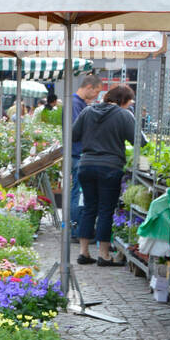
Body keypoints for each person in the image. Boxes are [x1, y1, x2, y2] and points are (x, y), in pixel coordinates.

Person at [74, 82, 136, 267]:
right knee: (106, 210)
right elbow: (140, 141)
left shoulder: (87, 111)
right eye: (129, 102)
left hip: (86, 165)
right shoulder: (124, 115)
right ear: (123, 101)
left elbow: (73, 135)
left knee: (89, 207)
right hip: (110, 167)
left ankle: (83, 252)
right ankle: (104, 255)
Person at [70, 72, 103, 239]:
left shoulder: (77, 103)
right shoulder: (76, 104)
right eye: (96, 91)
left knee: (77, 192)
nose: (96, 95)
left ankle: (77, 229)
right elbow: (77, 129)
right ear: (89, 87)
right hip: (77, 154)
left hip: (77, 153)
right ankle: (76, 230)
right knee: (78, 193)